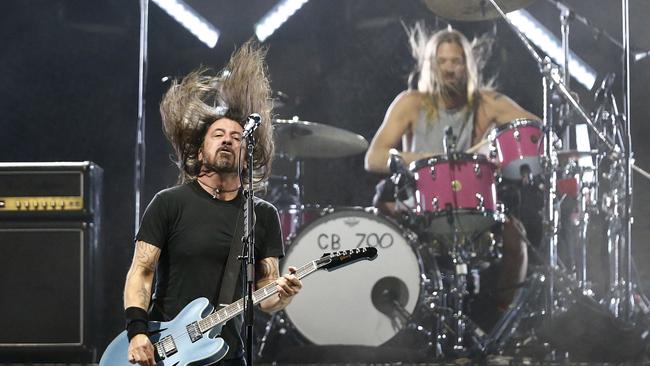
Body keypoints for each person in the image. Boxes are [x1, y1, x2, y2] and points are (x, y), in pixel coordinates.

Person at [122, 41, 302, 366]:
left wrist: (282, 295)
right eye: (218, 134)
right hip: (165, 349)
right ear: (200, 151)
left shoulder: (262, 214)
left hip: (228, 353)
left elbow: (266, 296)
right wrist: (137, 332)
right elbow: (142, 270)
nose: (228, 140)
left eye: (236, 138)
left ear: (247, 156)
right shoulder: (169, 203)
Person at [365, 25, 540, 309]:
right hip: (417, 208)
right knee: (381, 225)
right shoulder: (410, 102)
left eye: (455, 61)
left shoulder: (488, 102)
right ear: (429, 65)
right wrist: (435, 158)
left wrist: (497, 149)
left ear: (467, 65)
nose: (448, 69)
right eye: (441, 61)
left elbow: (533, 130)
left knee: (516, 237)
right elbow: (373, 157)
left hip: (473, 205)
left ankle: (500, 322)